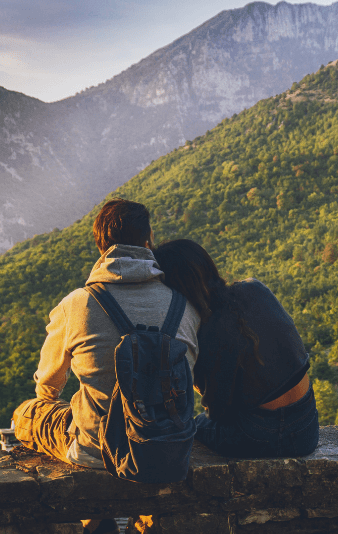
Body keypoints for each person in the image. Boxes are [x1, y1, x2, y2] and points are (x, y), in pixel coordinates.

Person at [12, 199, 201, 534]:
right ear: (148, 241)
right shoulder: (184, 306)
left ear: (101, 246)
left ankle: (96, 522)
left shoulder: (76, 304)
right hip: (166, 446)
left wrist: (53, 399)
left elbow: (48, 384)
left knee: (27, 412)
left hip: (94, 450)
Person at [153, 239, 319, 458]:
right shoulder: (254, 288)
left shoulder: (208, 331)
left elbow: (219, 414)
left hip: (263, 434)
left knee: (193, 426)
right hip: (308, 425)